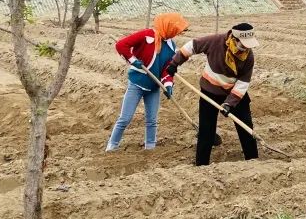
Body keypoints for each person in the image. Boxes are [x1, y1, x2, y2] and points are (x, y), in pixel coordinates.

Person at [166, 22, 260, 165]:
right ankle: (202, 164)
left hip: (234, 94)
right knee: (206, 130)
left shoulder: (248, 57)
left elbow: (243, 83)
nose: (246, 48)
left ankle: (253, 160)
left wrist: (229, 103)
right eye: (243, 44)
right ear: (234, 39)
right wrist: (174, 63)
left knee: (245, 127)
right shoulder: (215, 42)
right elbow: (192, 46)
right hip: (210, 91)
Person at [106, 12, 190, 151]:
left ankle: (150, 147)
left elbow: (167, 70)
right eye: (175, 30)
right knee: (125, 118)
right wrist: (133, 61)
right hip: (137, 84)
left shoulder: (171, 47)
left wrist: (168, 85)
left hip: (154, 87)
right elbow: (121, 45)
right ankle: (112, 146)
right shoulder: (146, 35)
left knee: (152, 120)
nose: (176, 34)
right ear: (168, 27)